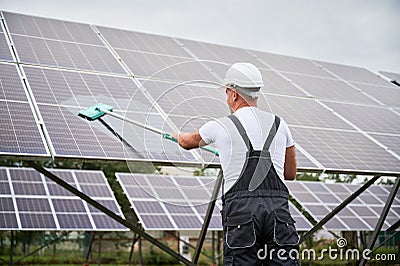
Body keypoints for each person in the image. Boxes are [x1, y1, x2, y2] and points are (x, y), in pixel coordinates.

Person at [176, 62, 299, 265]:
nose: (226, 98)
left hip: (242, 214)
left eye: (226, 92)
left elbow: (186, 142)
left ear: (233, 94)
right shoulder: (280, 124)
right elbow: (290, 173)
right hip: (278, 215)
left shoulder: (220, 126)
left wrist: (175, 135)